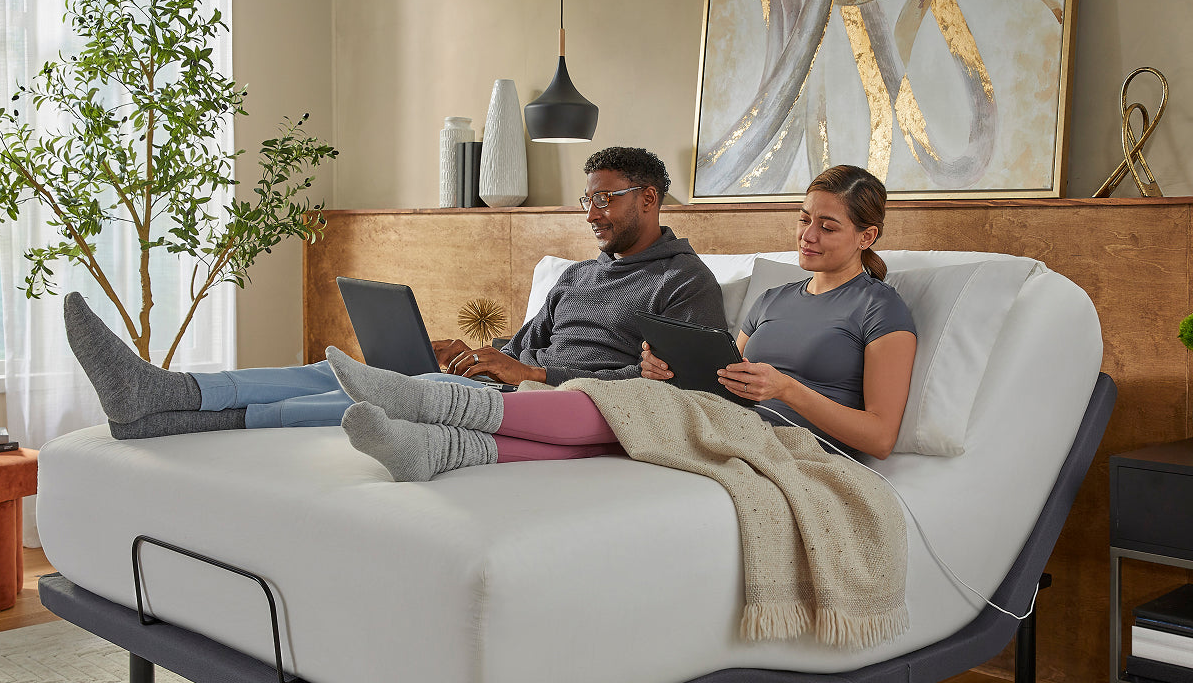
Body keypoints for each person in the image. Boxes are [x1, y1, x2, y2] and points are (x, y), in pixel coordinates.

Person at [64, 146, 727, 439]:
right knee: (344, 370)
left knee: (396, 392)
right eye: (586, 200)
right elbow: (518, 348)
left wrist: (528, 372)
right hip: (516, 384)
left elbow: (670, 391)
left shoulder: (683, 280)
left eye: (606, 199)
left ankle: (169, 411)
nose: (591, 213)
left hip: (567, 405)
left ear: (649, 198)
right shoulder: (577, 275)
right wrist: (476, 352)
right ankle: (171, 397)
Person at [324, 164, 918, 480]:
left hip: (797, 444)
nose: (807, 235)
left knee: (615, 409)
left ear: (866, 236)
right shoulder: (775, 297)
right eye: (803, 219)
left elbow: (880, 438)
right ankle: (439, 447)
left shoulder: (878, 308)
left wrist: (787, 389)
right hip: (734, 425)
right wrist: (668, 372)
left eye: (828, 226)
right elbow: (724, 380)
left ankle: (434, 409)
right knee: (632, 410)